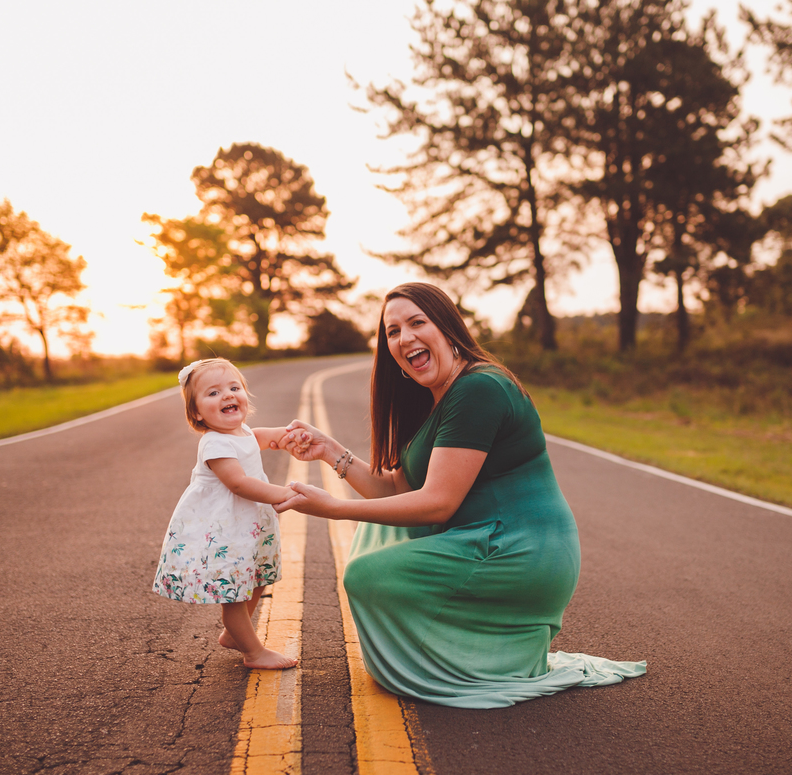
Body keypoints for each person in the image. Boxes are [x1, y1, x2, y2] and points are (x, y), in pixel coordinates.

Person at [274, 283, 645, 707]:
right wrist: (328, 450)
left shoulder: (479, 388)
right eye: (393, 332)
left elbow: (438, 502)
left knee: (365, 573)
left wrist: (335, 508)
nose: (405, 338)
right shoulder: (436, 399)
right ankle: (465, 652)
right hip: (486, 539)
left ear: (447, 327)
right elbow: (398, 490)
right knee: (377, 532)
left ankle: (477, 660)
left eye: (417, 322)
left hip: (520, 550)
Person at [153, 358, 299, 670]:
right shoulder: (214, 443)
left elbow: (257, 437)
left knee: (259, 576)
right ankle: (253, 652)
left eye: (234, 388)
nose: (228, 395)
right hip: (225, 532)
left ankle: (235, 635)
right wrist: (285, 494)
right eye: (214, 393)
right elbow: (239, 483)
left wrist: (284, 436)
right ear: (196, 412)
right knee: (234, 594)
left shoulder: (240, 431)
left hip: (250, 526)